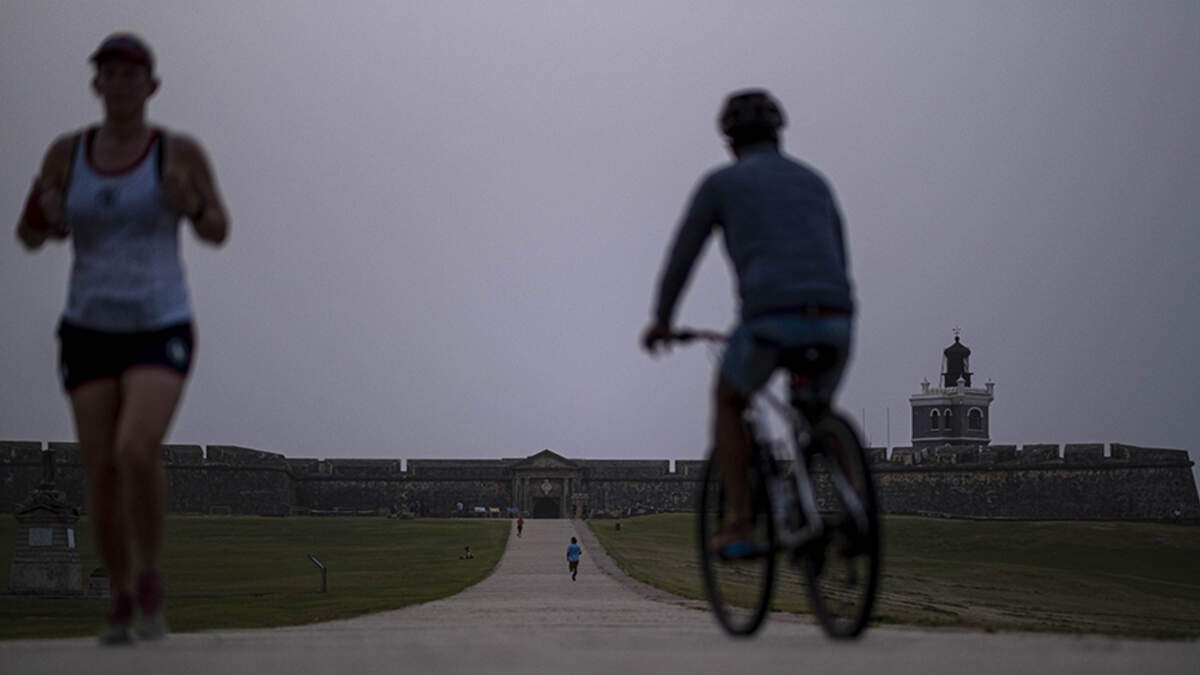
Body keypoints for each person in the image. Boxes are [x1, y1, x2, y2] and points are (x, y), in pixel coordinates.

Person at [15, 33, 229, 644]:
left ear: (151, 85)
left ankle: (150, 574)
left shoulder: (177, 153)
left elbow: (217, 227)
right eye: (109, 72)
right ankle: (121, 591)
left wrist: (190, 205)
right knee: (102, 470)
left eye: (131, 73)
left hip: (160, 321)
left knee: (136, 448)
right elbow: (30, 233)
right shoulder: (67, 154)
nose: (119, 82)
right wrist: (46, 214)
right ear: (96, 84)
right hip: (88, 326)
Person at [641, 89, 854, 556]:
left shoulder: (722, 184)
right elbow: (838, 255)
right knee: (818, 411)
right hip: (838, 318)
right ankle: (856, 510)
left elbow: (682, 257)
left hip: (770, 320)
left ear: (729, 140)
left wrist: (661, 321)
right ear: (778, 134)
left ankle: (740, 523)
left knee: (729, 400)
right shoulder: (815, 183)